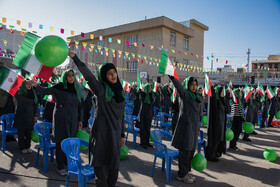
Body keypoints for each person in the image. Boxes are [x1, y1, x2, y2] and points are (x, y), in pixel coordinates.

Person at [69, 50, 125, 187]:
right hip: (102, 136)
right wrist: (75, 58)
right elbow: (88, 76)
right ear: (104, 76)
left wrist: (122, 134)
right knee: (102, 173)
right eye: (109, 74)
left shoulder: (119, 92)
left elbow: (121, 115)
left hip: (115, 135)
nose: (113, 76)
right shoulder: (100, 90)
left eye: (114, 72)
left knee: (114, 171)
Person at [29, 70, 83, 176]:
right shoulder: (59, 86)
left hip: (73, 119)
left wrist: (80, 119)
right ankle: (60, 166)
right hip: (61, 118)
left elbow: (80, 105)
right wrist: (36, 85)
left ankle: (68, 163)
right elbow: (45, 91)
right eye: (68, 76)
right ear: (64, 77)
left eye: (72, 75)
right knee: (61, 141)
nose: (71, 78)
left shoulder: (76, 88)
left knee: (70, 141)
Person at [169, 76, 202, 184]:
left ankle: (186, 171)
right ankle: (181, 174)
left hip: (193, 128)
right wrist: (172, 76)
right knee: (185, 151)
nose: (194, 87)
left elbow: (197, 115)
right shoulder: (185, 95)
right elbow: (179, 87)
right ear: (188, 85)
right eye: (192, 84)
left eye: (195, 85)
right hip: (186, 127)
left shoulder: (197, 96)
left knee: (191, 150)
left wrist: (198, 129)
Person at [13, 80, 38, 154]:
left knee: (28, 133)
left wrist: (35, 115)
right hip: (21, 115)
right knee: (21, 132)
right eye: (27, 83)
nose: (29, 85)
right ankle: (22, 147)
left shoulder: (33, 93)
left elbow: (35, 104)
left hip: (30, 116)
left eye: (30, 83)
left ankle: (27, 146)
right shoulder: (19, 93)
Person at [206, 85, 226, 161]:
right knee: (215, 139)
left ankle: (217, 152)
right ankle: (211, 155)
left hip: (221, 122)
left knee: (220, 139)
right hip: (216, 124)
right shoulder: (216, 101)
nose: (223, 93)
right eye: (222, 91)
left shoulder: (222, 100)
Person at [138, 83, 154, 149]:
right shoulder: (143, 95)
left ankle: (147, 142)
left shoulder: (151, 95)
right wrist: (140, 89)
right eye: (149, 88)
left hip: (149, 115)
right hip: (143, 115)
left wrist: (153, 114)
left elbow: (152, 106)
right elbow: (139, 93)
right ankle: (142, 143)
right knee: (143, 129)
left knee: (148, 129)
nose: (151, 89)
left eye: (151, 88)